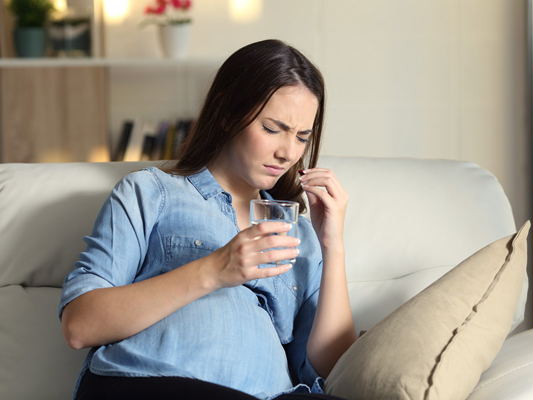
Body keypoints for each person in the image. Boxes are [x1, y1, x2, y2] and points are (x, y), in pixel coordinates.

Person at [58, 39, 357, 400]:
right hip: (147, 382)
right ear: (227, 112)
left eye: (302, 137)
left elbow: (336, 366)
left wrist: (333, 245)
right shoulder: (152, 192)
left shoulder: (300, 236)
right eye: (272, 128)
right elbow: (79, 325)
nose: (287, 153)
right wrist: (216, 269)